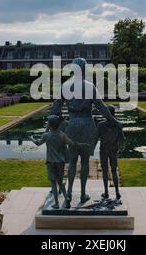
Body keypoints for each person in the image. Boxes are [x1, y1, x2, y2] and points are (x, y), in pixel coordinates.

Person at [51, 58, 120, 205]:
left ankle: (68, 192)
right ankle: (82, 194)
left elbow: (55, 110)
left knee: (72, 160)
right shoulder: (90, 86)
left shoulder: (65, 86)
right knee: (85, 162)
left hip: (73, 125)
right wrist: (113, 121)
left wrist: (60, 121)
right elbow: (102, 107)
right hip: (88, 125)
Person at [31, 115, 88, 209]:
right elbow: (73, 144)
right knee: (61, 183)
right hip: (60, 162)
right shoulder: (62, 135)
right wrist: (83, 145)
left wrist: (32, 138)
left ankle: (56, 203)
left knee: (53, 183)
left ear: (49, 125)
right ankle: (66, 198)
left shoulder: (46, 135)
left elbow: (38, 143)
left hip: (51, 162)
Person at [97, 105, 124, 200]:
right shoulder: (118, 124)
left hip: (104, 150)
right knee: (114, 170)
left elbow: (96, 138)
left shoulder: (101, 125)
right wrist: (120, 149)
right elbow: (122, 140)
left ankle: (106, 192)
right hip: (113, 150)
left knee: (104, 171)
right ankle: (117, 191)